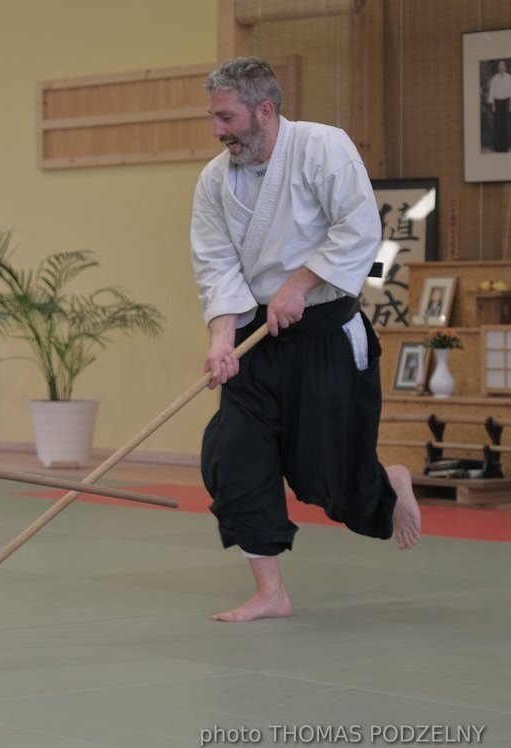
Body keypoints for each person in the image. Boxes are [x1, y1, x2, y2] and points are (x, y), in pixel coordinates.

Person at [190, 57, 422, 622]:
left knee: (330, 478)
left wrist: (300, 284)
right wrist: (222, 338)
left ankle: (386, 483)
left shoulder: (325, 148)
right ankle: (271, 591)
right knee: (232, 455)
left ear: (264, 111)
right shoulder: (214, 180)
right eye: (214, 118)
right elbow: (216, 266)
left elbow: (360, 230)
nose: (217, 131)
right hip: (257, 340)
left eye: (226, 117)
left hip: (324, 334)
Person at [487, 59, 511, 153]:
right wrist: (493, 104)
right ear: (498, 68)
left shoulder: (510, 78)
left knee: (506, 124)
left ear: (505, 67)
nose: (502, 67)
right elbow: (492, 91)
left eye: (503, 66)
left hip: (506, 102)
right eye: (500, 66)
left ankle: (506, 145)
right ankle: (497, 145)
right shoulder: (495, 78)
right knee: (498, 124)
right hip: (497, 103)